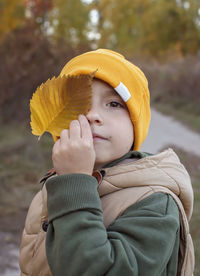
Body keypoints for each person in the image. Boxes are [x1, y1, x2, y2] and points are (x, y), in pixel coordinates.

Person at [19, 49, 194, 276]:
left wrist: (76, 182)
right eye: (79, 105)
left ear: (135, 126)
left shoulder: (156, 202)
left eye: (113, 104)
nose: (92, 115)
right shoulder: (53, 184)